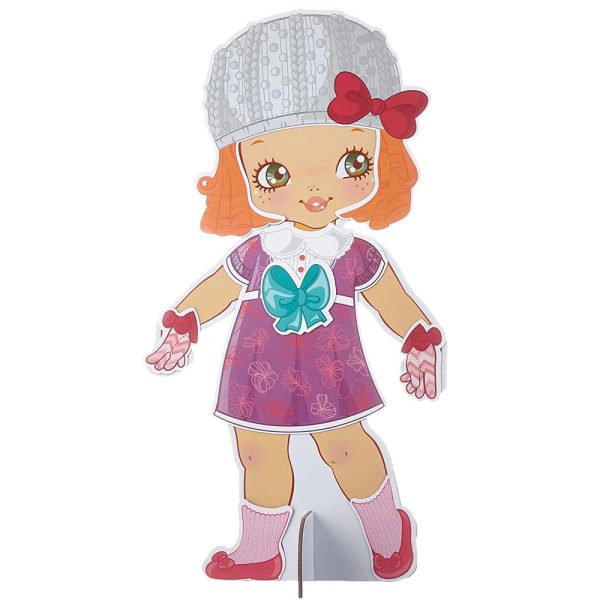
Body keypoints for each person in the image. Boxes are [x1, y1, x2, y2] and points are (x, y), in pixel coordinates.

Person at [146, 12, 444, 581]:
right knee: (256, 453)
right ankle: (261, 551)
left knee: (345, 448)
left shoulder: (354, 254)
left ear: (381, 159)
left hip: (332, 369)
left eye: (350, 164)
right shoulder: (257, 251)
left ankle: (387, 529)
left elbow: (390, 298)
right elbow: (218, 288)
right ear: (239, 174)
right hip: (257, 369)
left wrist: (418, 335)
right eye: (275, 172)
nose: (313, 189)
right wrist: (185, 320)